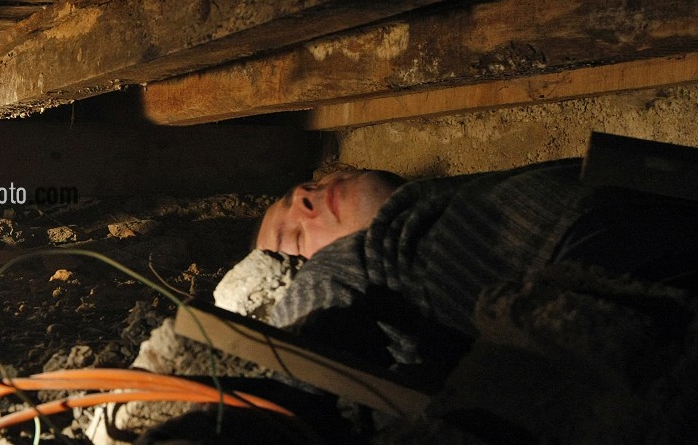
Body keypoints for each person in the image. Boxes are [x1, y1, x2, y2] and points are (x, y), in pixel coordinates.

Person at [255, 160, 698, 367]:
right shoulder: (354, 266)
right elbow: (296, 351)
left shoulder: (449, 204)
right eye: (292, 240)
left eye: (304, 186)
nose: (302, 196)